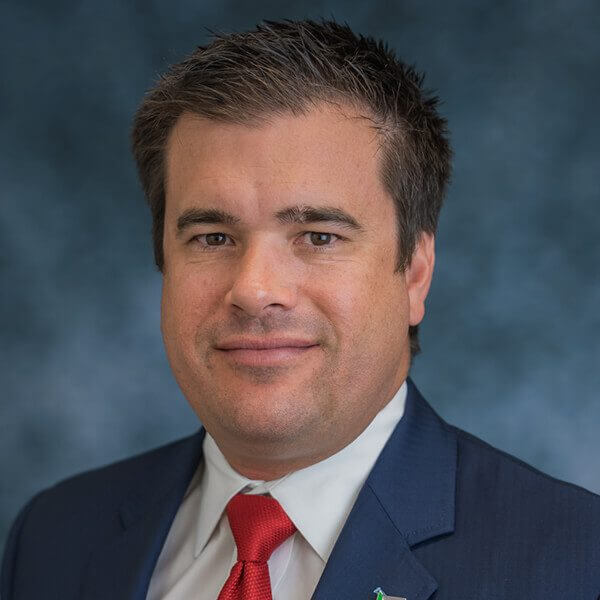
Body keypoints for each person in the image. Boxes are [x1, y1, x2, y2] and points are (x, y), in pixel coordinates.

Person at [2, 19, 599, 600]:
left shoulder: (574, 562)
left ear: (415, 273)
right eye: (212, 237)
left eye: (318, 236)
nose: (255, 289)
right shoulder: (54, 538)